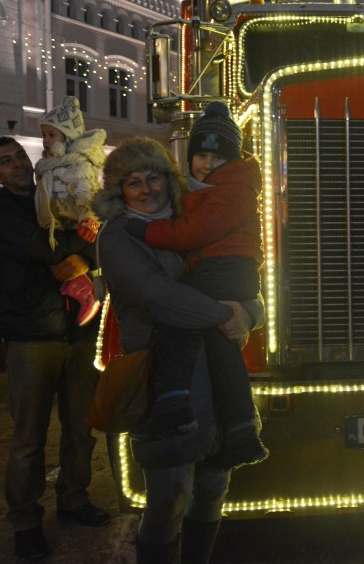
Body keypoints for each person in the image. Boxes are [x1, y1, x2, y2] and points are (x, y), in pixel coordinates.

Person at [92, 137, 264, 563]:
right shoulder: (119, 235)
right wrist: (226, 315)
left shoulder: (194, 221)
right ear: (119, 191)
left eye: (153, 178)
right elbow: (157, 296)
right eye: (133, 182)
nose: (145, 190)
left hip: (214, 371)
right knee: (169, 499)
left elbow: (240, 277)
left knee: (212, 489)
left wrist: (250, 313)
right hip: (162, 377)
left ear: (167, 180)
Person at [0, 137, 110, 560]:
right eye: (5, 161)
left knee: (80, 428)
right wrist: (82, 247)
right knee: (28, 438)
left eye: (19, 156)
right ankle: (25, 521)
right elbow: (38, 246)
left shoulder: (56, 195)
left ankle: (74, 498)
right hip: (32, 334)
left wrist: (86, 260)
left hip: (79, 330)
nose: (17, 164)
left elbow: (102, 236)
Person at [124, 103, 267, 470]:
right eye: (201, 155)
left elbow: (195, 232)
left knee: (181, 323)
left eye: (217, 157)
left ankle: (174, 403)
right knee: (221, 347)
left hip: (223, 270)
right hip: (223, 270)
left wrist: (147, 231)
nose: (206, 164)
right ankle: (240, 431)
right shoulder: (206, 189)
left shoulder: (231, 188)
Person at [35, 96, 105, 326]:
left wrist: (88, 218)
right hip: (60, 224)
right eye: (44, 135)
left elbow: (86, 193)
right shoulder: (52, 166)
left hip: (75, 225)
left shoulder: (75, 165)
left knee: (62, 258)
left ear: (68, 137)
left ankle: (87, 293)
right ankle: (80, 288)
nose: (46, 140)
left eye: (51, 135)